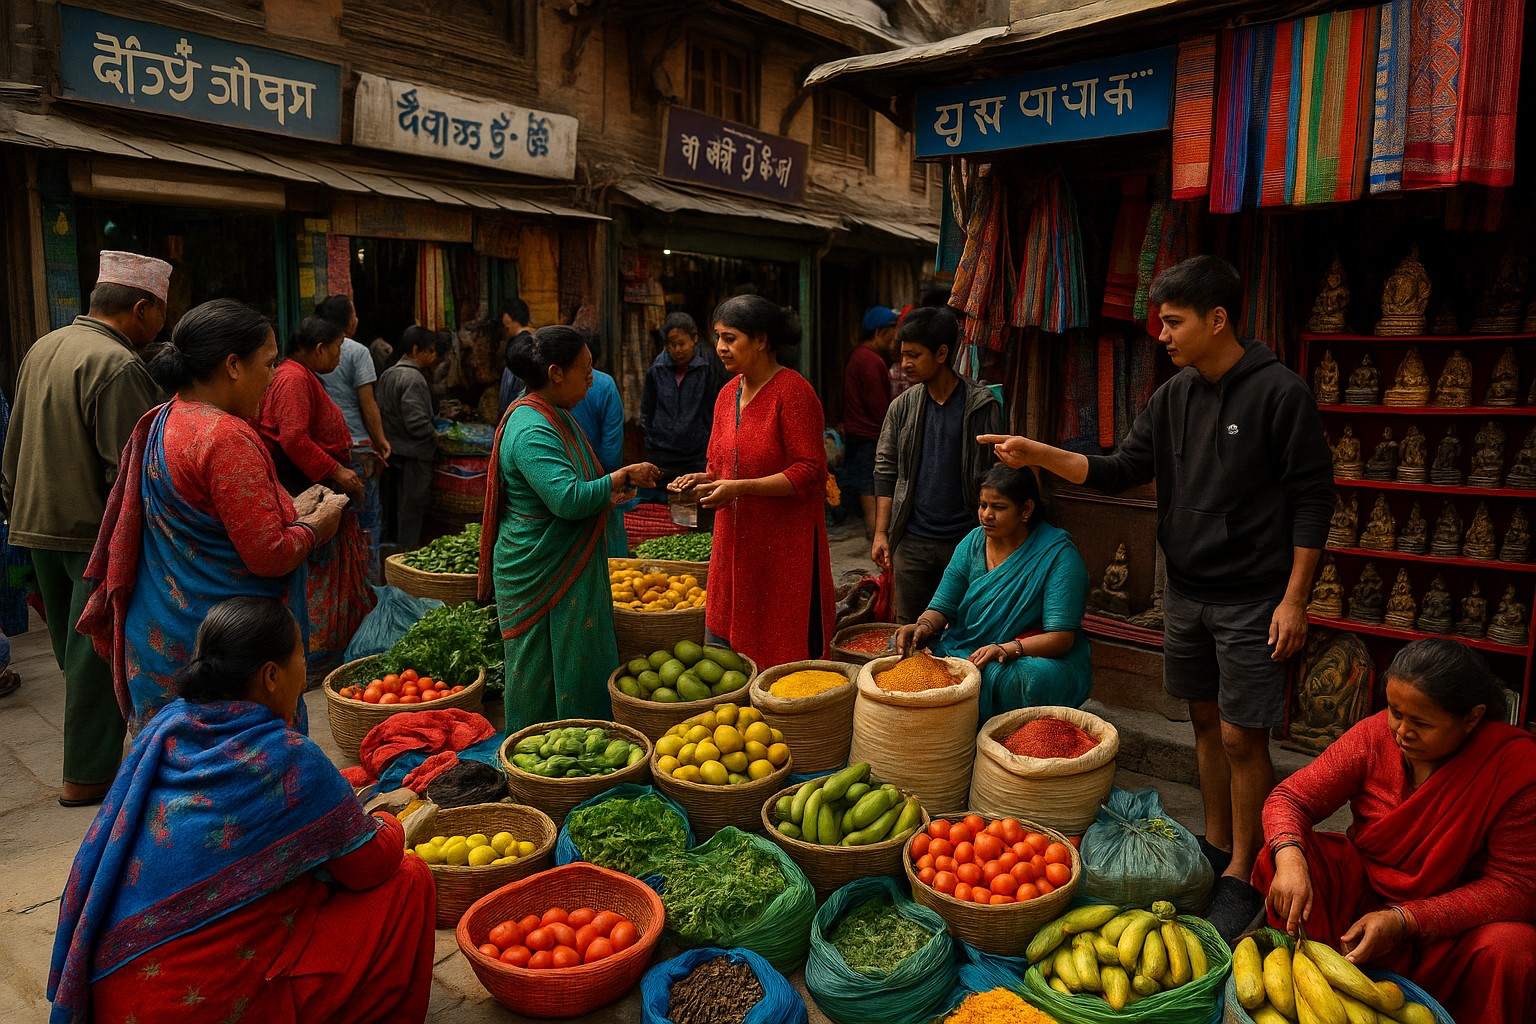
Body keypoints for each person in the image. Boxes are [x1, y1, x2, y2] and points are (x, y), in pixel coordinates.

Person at [979, 255, 1334, 942]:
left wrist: (1295, 599)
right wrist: (1039, 454)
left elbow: (1314, 503)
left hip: (1253, 596)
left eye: (1173, 322)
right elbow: (1117, 471)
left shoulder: (1280, 394)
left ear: (1217, 319)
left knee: (1241, 733)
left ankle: (1244, 868)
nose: (1162, 336)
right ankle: (1214, 840)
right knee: (1202, 724)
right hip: (1187, 591)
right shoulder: (1172, 397)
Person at [49, 597, 435, 1024]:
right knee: (410, 878)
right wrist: (386, 823)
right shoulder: (288, 756)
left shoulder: (167, 726)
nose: (304, 671)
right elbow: (371, 865)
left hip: (115, 994)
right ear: (271, 676)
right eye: (301, 658)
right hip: (204, 1006)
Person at [78, 300, 344, 731]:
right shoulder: (224, 437)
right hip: (223, 656)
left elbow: (218, 523)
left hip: (163, 637)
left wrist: (291, 511)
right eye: (270, 363)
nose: (274, 378)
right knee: (244, 780)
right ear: (233, 365)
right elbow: (268, 555)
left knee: (181, 778)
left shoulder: (169, 416)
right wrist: (317, 527)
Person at [1255, 640, 1536, 1024]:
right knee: (1284, 860)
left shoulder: (1514, 771)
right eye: (1394, 712)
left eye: (1421, 723)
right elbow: (1289, 799)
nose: (1401, 731)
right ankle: (1316, 988)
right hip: (1360, 909)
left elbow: (1516, 887)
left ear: (1472, 718)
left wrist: (1406, 920)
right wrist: (1289, 858)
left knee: (1513, 948)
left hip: (1449, 930)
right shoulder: (1374, 737)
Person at [1, 251, 166, 806]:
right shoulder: (117, 364)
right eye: (160, 313)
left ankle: (91, 763)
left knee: (73, 654)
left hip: (34, 524)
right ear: (141, 309)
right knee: (96, 656)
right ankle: (86, 777)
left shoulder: (42, 348)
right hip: (89, 534)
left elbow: (13, 444)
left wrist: (15, 510)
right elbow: (134, 469)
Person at [480, 326, 658, 732]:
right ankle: (531, 757)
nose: (592, 379)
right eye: (586, 370)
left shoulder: (554, 414)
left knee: (572, 662)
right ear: (556, 373)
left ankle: (582, 750)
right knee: (536, 671)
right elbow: (567, 499)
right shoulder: (532, 428)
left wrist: (618, 479)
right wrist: (618, 478)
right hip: (537, 564)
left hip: (555, 557)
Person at [670, 296, 835, 668]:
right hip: (733, 542)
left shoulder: (793, 392)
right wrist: (702, 480)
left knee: (784, 654)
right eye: (717, 337)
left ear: (761, 340)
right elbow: (721, 466)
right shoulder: (727, 394)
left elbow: (810, 472)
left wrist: (741, 487)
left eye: (730, 338)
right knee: (725, 658)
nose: (720, 348)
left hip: (783, 549)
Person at [894, 466, 1090, 719]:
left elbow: (1061, 637)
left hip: (1025, 653)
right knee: (900, 646)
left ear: (1026, 510)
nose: (986, 515)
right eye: (983, 505)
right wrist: (923, 625)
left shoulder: (1058, 555)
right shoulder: (973, 542)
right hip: (967, 646)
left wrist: (1007, 649)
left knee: (1023, 677)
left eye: (998, 507)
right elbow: (943, 606)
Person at [256, 316, 377, 676]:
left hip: (311, 483)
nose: (341, 355)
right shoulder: (293, 377)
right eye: (339, 347)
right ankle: (317, 657)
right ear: (321, 348)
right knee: (317, 578)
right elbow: (294, 439)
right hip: (306, 488)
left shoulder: (300, 375)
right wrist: (338, 472)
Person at [872, 306, 1004, 624]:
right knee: (909, 630)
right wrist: (881, 534)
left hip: (966, 541)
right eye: (903, 355)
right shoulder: (902, 406)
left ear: (942, 353)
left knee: (964, 627)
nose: (904, 364)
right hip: (912, 543)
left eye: (914, 355)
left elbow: (998, 472)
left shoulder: (982, 404)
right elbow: (885, 469)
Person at [316, 294, 391, 577]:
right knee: (366, 522)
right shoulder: (356, 351)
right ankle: (369, 586)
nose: (357, 319)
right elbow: (367, 402)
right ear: (348, 321)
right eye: (355, 313)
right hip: (356, 446)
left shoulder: (314, 351)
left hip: (325, 451)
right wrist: (382, 441)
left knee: (333, 524)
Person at [377, 326, 449, 551]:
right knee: (412, 509)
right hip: (414, 455)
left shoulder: (389, 374)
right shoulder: (413, 378)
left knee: (396, 508)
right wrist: (434, 434)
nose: (433, 357)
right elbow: (416, 422)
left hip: (395, 451)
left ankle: (395, 555)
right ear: (416, 349)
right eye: (430, 351)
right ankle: (408, 557)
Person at [642, 312, 723, 487]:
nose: (678, 350)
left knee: (692, 501)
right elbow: (647, 409)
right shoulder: (656, 370)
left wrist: (707, 442)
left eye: (682, 344)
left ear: (694, 339)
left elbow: (711, 409)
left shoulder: (706, 370)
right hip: (662, 452)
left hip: (695, 454)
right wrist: (651, 442)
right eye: (672, 345)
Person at [569, 333, 630, 557]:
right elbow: (611, 450)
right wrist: (611, 481)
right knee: (613, 569)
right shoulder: (604, 385)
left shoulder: (550, 389)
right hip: (601, 484)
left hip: (563, 487)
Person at [843, 306, 898, 539]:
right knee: (870, 481)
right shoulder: (870, 361)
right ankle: (874, 530)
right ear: (879, 332)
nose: (894, 338)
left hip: (858, 431)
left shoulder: (860, 356)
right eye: (891, 332)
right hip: (869, 432)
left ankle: (872, 529)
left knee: (864, 478)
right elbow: (878, 406)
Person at [498, 300, 534, 415]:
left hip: (516, 403)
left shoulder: (516, 344)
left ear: (508, 318)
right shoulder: (534, 338)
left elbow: (509, 383)